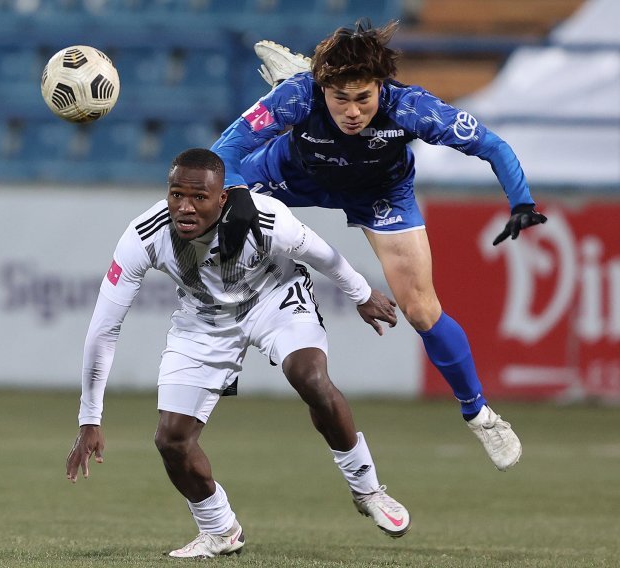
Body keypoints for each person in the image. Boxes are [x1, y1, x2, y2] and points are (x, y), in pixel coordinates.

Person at [210, 20, 548, 472]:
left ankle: (479, 414)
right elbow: (223, 154)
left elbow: (492, 146)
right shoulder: (298, 97)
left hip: (380, 195)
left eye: (363, 98)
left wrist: (521, 201)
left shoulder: (411, 108)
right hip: (293, 176)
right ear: (322, 89)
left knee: (422, 310)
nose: (353, 112)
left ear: (380, 87)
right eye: (340, 98)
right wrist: (235, 198)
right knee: (213, 209)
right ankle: (223, 350)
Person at [65, 148, 411, 559]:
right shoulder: (144, 235)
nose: (185, 208)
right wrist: (90, 418)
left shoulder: (267, 219)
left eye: (199, 197)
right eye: (176, 195)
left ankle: (367, 488)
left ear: (222, 198)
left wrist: (361, 293)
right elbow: (105, 326)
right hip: (204, 318)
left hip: (274, 298)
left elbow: (321, 254)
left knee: (310, 377)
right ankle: (220, 530)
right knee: (171, 440)